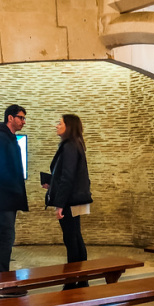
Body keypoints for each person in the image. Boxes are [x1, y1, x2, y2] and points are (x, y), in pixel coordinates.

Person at [44, 114, 92, 289]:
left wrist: (60, 204)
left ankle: (72, 283)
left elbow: (68, 177)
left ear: (69, 127)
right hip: (76, 198)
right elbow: (67, 175)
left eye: (60, 123)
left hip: (70, 200)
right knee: (75, 238)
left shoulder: (70, 146)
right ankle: (81, 279)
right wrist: (52, 184)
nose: (56, 126)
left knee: (71, 240)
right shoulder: (75, 144)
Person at [0, 104, 29, 285]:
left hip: (11, 195)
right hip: (4, 196)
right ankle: (3, 281)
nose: (23, 122)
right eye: (21, 117)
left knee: (8, 236)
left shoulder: (10, 138)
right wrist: (13, 189)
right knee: (6, 236)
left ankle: (4, 278)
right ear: (10, 118)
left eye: (24, 118)